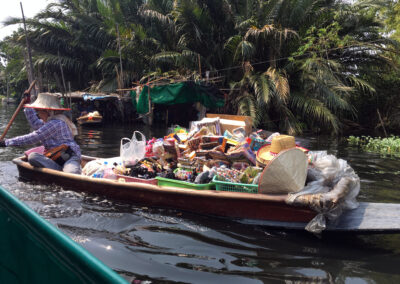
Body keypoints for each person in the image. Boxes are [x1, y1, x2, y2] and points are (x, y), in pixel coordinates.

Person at [0, 92, 81, 174]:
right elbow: (35, 123)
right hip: (55, 157)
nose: (38, 114)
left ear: (48, 111)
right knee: (33, 157)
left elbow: (33, 137)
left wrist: (7, 142)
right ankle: (60, 171)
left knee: (72, 173)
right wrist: (27, 104)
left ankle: (61, 171)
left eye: (39, 111)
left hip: (69, 157)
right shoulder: (48, 122)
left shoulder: (56, 123)